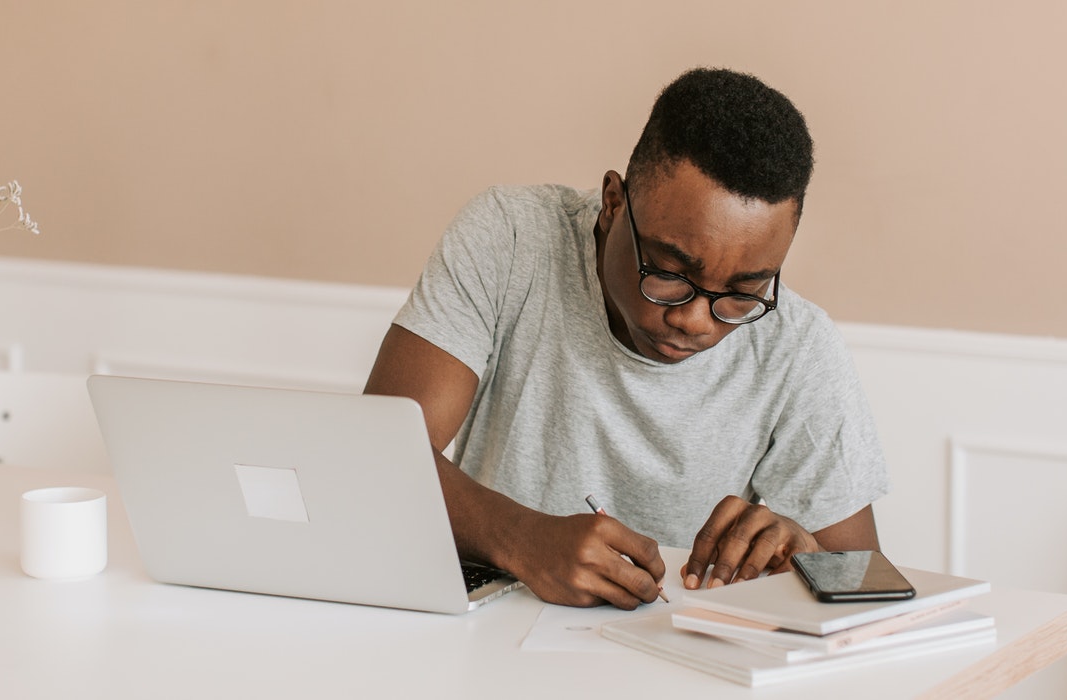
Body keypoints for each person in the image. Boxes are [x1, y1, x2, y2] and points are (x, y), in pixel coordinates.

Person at [363, 67, 888, 609]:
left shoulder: (798, 346)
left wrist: (804, 559)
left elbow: (862, 585)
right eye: (668, 272)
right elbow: (374, 453)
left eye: (742, 293)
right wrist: (523, 539)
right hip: (489, 638)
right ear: (612, 203)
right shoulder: (512, 238)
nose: (697, 321)